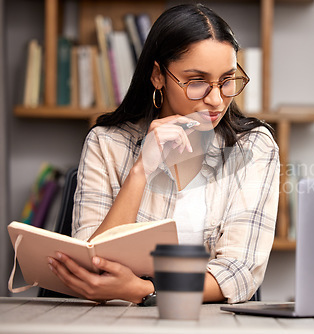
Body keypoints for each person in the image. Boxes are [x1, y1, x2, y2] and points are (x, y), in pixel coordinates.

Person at [47, 4, 280, 305]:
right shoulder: (106, 144)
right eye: (196, 82)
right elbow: (90, 268)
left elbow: (238, 272)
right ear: (158, 76)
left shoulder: (253, 147)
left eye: (226, 80)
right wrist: (141, 170)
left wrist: (146, 290)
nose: (216, 99)